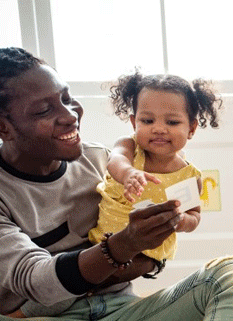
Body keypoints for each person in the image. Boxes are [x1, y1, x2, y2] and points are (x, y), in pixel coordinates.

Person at [0, 47, 233, 321]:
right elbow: (37, 282)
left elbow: (155, 251)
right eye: (44, 109)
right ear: (1, 126)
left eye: (67, 98)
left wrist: (158, 242)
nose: (70, 115)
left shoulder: (100, 161)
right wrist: (121, 250)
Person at [88, 71, 221, 271]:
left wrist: (182, 221)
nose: (159, 129)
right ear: (134, 123)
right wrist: (129, 174)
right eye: (148, 121)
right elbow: (115, 160)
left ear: (191, 128)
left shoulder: (188, 176)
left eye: (172, 122)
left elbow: (194, 215)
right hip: (105, 244)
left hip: (150, 254)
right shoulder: (129, 149)